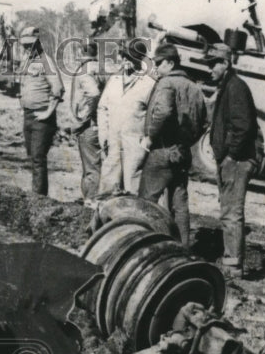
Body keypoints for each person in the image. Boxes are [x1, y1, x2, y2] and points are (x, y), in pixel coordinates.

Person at [139, 43, 206, 247]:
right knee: (180, 204)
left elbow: (163, 112)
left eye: (158, 63)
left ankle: (143, 246)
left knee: (145, 203)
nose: (156, 68)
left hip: (162, 150)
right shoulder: (195, 87)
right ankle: (182, 248)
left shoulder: (167, 83)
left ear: (170, 62)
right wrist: (186, 143)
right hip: (182, 152)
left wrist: (150, 137)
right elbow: (204, 121)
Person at [203, 43, 258, 279]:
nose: (210, 69)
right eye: (209, 64)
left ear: (226, 63)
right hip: (232, 160)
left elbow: (243, 127)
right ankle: (230, 259)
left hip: (237, 161)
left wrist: (230, 156)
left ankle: (233, 266)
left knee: (231, 212)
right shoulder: (229, 85)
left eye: (214, 63)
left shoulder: (235, 87)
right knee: (228, 210)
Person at [97, 44, 155, 197]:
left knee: (132, 187)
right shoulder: (114, 80)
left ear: (140, 60)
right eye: (124, 57)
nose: (126, 60)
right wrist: (103, 134)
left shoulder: (148, 84)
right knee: (109, 184)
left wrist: (146, 140)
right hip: (113, 139)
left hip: (135, 142)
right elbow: (102, 108)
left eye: (131, 58)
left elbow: (153, 114)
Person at [17, 26, 64, 196]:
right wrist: (22, 107)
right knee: (32, 156)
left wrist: (48, 112)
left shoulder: (46, 61)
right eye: (25, 45)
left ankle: (39, 198)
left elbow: (58, 89)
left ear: (38, 43)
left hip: (42, 117)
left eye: (31, 45)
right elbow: (23, 85)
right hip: (28, 115)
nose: (28, 48)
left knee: (38, 158)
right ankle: (35, 194)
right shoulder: (27, 61)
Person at [68, 41, 104, 200]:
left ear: (82, 51)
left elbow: (94, 94)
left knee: (91, 168)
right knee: (96, 165)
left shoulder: (85, 71)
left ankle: (91, 201)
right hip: (99, 124)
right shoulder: (100, 68)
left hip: (89, 126)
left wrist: (84, 118)